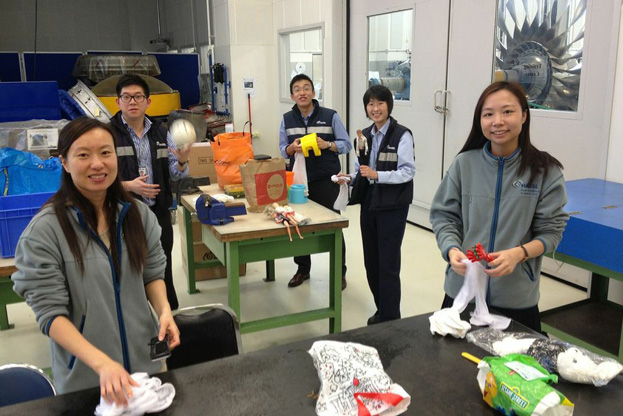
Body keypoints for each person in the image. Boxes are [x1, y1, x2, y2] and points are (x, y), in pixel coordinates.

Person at [12, 117, 180, 404]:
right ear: (64, 162)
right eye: (83, 155)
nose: (97, 164)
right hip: (88, 381)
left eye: (105, 152)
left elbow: (152, 273)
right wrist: (102, 364)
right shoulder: (45, 231)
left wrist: (164, 311)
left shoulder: (139, 215)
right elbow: (50, 314)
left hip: (147, 372)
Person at [429, 81, 569, 333]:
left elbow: (551, 232)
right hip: (463, 291)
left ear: (524, 116)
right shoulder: (464, 164)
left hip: (516, 298)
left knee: (514, 359)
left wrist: (518, 254)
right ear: (479, 120)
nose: (497, 121)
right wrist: (451, 249)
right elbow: (444, 217)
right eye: (488, 114)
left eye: (507, 111)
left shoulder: (544, 171)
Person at [109, 74, 192, 310]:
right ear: (118, 102)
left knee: (162, 262)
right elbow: (100, 180)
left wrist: (183, 162)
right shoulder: (108, 134)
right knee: (129, 265)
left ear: (148, 101)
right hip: (124, 213)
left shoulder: (161, 133)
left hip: (159, 211)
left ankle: (168, 312)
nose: (132, 102)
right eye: (126, 97)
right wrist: (128, 186)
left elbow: (174, 174)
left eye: (138, 97)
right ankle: (134, 314)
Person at [337, 85, 415, 325]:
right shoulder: (364, 136)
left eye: (380, 103)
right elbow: (361, 170)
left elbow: (407, 171)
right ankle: (382, 310)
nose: (375, 108)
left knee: (388, 263)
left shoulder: (402, 135)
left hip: (393, 205)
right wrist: (349, 178)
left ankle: (390, 317)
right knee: (371, 261)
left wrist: (377, 175)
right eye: (371, 104)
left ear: (389, 105)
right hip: (370, 201)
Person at [279, 74, 352, 290]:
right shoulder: (286, 119)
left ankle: (339, 272)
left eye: (306, 88)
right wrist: (291, 148)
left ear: (313, 92)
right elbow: (282, 149)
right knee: (298, 226)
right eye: (297, 89)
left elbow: (346, 144)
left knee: (333, 225)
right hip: (299, 182)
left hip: (326, 180)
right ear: (292, 96)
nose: (302, 92)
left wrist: (327, 144)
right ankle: (303, 269)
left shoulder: (330, 116)